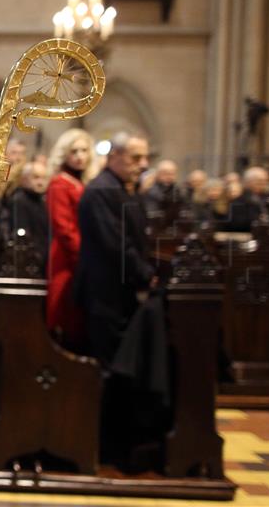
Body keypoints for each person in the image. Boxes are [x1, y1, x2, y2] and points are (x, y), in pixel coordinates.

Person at [75, 132, 153, 367]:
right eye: (136, 157)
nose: (144, 164)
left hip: (121, 290)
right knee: (110, 364)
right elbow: (116, 244)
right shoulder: (102, 190)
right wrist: (145, 276)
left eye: (145, 158)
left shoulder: (124, 188)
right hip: (105, 293)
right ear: (115, 155)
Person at [45, 128, 95, 351]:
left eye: (84, 150)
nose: (80, 156)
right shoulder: (59, 183)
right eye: (74, 151)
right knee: (65, 308)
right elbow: (64, 227)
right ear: (65, 154)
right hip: (69, 255)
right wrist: (82, 257)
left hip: (83, 253)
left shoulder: (81, 182)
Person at [3, 160, 50, 274]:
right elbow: (22, 235)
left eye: (44, 178)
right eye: (36, 177)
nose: (40, 182)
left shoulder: (41, 199)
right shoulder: (19, 200)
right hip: (27, 263)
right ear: (24, 179)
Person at [225, 165, 268, 232]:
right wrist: (259, 220)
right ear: (248, 182)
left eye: (265, 181)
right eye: (259, 181)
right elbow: (237, 223)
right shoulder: (238, 201)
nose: (263, 184)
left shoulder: (268, 198)